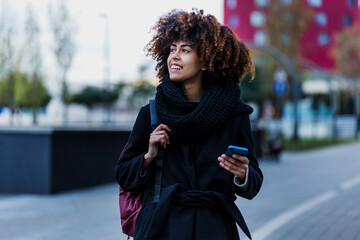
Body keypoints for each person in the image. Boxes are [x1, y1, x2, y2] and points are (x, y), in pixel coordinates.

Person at [115, 9, 263, 240]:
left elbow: (253, 183)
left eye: (185, 50)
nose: (174, 56)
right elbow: (123, 175)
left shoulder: (234, 114)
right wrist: (148, 156)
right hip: (161, 226)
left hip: (214, 228)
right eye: (172, 49)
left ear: (205, 60)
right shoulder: (151, 113)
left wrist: (242, 174)